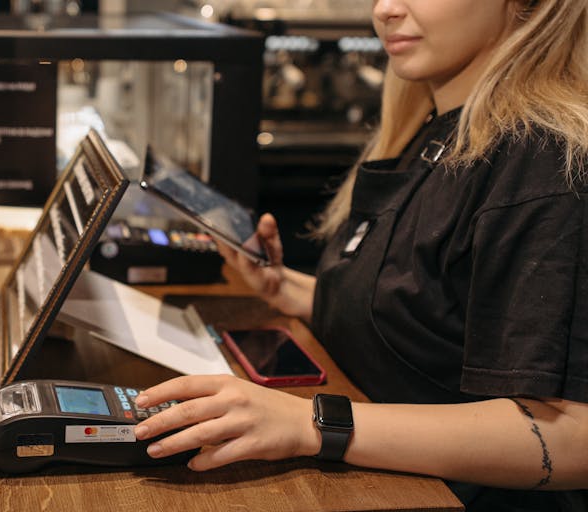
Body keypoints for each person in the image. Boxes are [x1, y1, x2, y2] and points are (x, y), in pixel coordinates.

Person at [133, 1, 588, 510]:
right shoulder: (435, 128)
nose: (385, 9)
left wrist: (310, 424)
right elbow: (427, 316)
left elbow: (571, 437)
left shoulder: (546, 162)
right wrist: (288, 289)